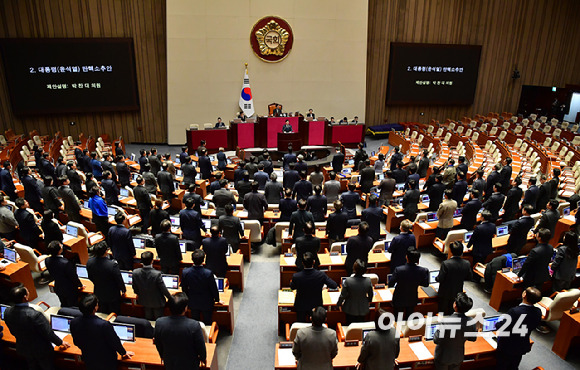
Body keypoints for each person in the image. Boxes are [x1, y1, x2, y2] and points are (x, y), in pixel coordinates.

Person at [4, 286, 70, 370]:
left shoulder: (7, 312)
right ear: (25, 297)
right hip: (41, 350)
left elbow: (12, 331)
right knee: (47, 366)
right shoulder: (34, 315)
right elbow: (48, 333)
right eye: (27, 292)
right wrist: (60, 342)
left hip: (23, 347)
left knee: (32, 365)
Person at [70, 294, 133, 370]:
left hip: (88, 358)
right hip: (106, 361)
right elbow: (114, 342)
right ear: (95, 308)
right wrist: (123, 352)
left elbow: (76, 342)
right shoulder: (104, 325)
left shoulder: (74, 322)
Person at [154, 293, 207, 370]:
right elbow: (200, 346)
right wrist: (203, 358)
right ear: (185, 308)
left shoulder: (159, 323)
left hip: (170, 362)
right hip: (190, 364)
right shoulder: (194, 325)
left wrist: (162, 356)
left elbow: (158, 343)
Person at [495, 287, 542, 370]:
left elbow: (501, 326)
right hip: (522, 343)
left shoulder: (515, 311)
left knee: (502, 365)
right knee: (514, 364)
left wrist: (498, 324)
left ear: (524, 295)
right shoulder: (538, 312)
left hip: (507, 344)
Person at [433, 293, 477, 370]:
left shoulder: (445, 321)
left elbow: (436, 340)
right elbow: (472, 338)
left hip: (443, 357)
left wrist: (440, 324)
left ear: (455, 305)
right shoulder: (471, 322)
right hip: (458, 356)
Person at [291, 252, 338, 322]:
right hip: (316, 306)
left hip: (301, 306)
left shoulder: (296, 276)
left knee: (300, 324)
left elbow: (292, 287)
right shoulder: (321, 275)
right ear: (314, 262)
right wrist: (324, 286)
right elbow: (334, 285)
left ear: (302, 263)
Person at [181, 249, 220, 325]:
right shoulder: (208, 273)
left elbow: (184, 288)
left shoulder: (185, 272)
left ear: (192, 260)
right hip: (207, 302)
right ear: (203, 260)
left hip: (192, 302)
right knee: (207, 322)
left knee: (195, 323)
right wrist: (217, 299)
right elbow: (213, 288)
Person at [389, 248, 429, 320]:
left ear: (406, 257)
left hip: (399, 298)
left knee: (398, 319)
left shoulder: (399, 270)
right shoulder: (423, 270)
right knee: (409, 319)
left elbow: (390, 284)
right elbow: (425, 284)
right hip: (412, 298)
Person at [86, 241, 126, 314]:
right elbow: (118, 280)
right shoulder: (112, 265)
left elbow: (90, 277)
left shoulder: (89, 262)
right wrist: (123, 289)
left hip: (99, 292)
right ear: (106, 251)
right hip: (113, 295)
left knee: (103, 313)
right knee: (114, 314)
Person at [132, 251, 171, 320]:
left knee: (148, 319)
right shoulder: (157, 274)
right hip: (157, 302)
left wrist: (139, 294)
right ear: (152, 261)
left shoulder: (135, 272)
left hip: (144, 300)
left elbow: (135, 288)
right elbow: (163, 289)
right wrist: (171, 298)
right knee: (158, 321)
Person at [436, 241, 472, 315]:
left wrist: (436, 278)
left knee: (441, 312)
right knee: (452, 312)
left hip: (444, 292)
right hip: (457, 291)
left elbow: (440, 279)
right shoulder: (467, 263)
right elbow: (469, 277)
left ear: (451, 251)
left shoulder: (446, 263)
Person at [45, 240, 82, 307]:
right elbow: (73, 277)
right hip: (69, 289)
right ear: (59, 251)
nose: (62, 246)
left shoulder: (47, 260)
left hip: (58, 287)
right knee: (73, 306)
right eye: (61, 245)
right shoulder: (65, 263)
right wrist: (80, 285)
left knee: (64, 304)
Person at [338, 259, 373, 324]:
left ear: (354, 269)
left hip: (350, 309)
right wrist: (367, 301)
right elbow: (371, 295)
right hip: (363, 309)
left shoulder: (348, 281)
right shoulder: (368, 281)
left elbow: (343, 296)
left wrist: (338, 305)